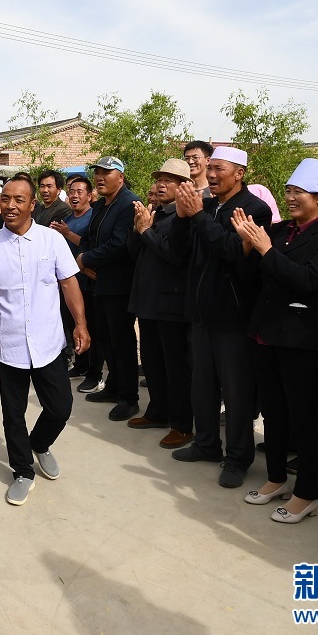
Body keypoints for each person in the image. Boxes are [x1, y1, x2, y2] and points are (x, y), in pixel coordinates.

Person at [233, 159, 318, 523]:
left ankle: (307, 493)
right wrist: (248, 247)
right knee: (273, 413)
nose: (290, 198)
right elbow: (252, 277)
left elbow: (308, 281)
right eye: (287, 191)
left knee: (304, 418)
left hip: (302, 341)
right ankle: (276, 478)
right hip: (265, 333)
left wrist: (265, 250)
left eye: (298, 192)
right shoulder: (279, 230)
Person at [0, 177, 89, 505]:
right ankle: (22, 470)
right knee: (13, 413)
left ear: (32, 205)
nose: (10, 205)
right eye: (5, 198)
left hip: (49, 343)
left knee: (60, 408)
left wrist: (80, 324)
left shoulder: (52, 240)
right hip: (10, 346)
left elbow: (69, 284)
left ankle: (40, 443)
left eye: (19, 200)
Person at [168, 146, 273, 488]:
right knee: (202, 387)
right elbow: (180, 252)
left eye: (219, 169)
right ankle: (206, 444)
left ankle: (238, 458)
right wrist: (183, 217)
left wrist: (198, 216)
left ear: (239, 173)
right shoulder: (209, 205)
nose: (211, 175)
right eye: (209, 168)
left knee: (236, 393)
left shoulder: (254, 209)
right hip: (201, 314)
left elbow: (232, 253)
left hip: (233, 317)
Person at [126, 159, 194, 449]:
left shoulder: (183, 217)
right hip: (148, 299)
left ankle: (182, 425)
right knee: (152, 362)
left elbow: (174, 255)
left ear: (184, 186)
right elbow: (134, 253)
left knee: (175, 366)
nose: (161, 185)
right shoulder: (156, 214)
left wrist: (146, 232)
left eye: (169, 180)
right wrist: (138, 229)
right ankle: (157, 412)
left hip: (171, 303)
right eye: (159, 179)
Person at [76, 156, 141, 420]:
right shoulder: (101, 205)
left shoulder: (129, 204)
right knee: (105, 339)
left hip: (120, 285)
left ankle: (129, 397)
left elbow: (120, 244)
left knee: (122, 342)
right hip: (99, 282)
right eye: (98, 173)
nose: (100, 178)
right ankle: (113, 386)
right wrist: (82, 259)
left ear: (121, 177)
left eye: (107, 173)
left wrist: (87, 259)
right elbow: (88, 238)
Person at [51, 176, 103, 392]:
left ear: (90, 195)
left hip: (87, 281)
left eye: (79, 192)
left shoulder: (93, 218)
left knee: (90, 328)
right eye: (72, 191)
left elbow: (88, 245)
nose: (74, 195)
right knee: (73, 325)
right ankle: (80, 365)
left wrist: (66, 233)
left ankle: (95, 373)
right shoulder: (68, 218)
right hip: (68, 283)